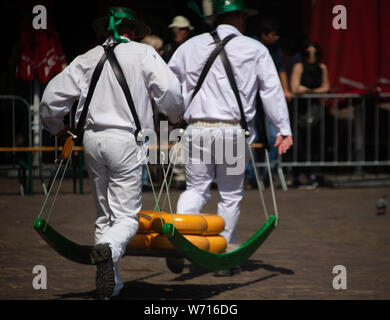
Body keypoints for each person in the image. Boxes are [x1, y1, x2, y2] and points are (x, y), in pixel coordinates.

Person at [40, 7, 184, 299]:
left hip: (92, 140)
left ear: (105, 30)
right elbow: (169, 91)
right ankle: (109, 249)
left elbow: (50, 100)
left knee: (104, 215)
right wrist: (175, 115)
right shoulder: (143, 54)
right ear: (133, 29)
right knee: (127, 218)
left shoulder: (87, 57)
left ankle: (111, 287)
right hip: (126, 141)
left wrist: (57, 128)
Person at [168, 0, 292, 276]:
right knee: (230, 194)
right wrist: (283, 128)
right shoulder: (254, 48)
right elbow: (271, 91)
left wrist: (172, 113)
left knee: (195, 189)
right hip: (233, 132)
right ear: (239, 18)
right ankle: (222, 252)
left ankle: (181, 241)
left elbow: (167, 84)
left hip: (197, 128)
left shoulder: (189, 46)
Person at [246, 18, 292, 188]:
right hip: (249, 98)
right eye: (274, 34)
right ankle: (251, 174)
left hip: (267, 96)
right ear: (263, 35)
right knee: (251, 136)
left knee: (274, 136)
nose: (277, 37)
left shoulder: (275, 49)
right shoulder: (251, 46)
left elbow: (280, 71)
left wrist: (286, 90)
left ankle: (267, 172)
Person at [289, 42, 330, 189]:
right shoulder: (299, 67)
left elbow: (326, 87)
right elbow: (295, 88)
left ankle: (312, 174)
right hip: (299, 110)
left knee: (314, 143)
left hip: (315, 110)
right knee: (298, 144)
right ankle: (297, 175)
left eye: (315, 54)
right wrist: (310, 90)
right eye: (308, 54)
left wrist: (309, 91)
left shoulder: (322, 67)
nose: (311, 57)